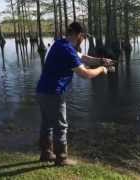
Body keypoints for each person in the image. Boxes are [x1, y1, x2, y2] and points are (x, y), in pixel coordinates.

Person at [36, 22, 113, 166]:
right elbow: (85, 74)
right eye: (83, 36)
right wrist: (101, 69)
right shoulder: (67, 50)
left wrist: (101, 60)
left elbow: (83, 57)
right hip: (54, 93)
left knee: (47, 124)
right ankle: (62, 158)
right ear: (79, 35)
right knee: (61, 126)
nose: (84, 39)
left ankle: (46, 153)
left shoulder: (61, 44)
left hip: (42, 91)